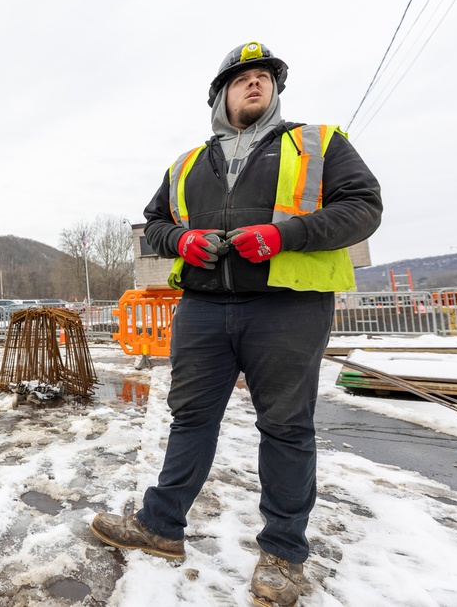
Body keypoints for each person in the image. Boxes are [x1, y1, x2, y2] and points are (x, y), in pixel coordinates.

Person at [90, 41, 382, 607]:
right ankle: (161, 526)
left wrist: (283, 235)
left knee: (286, 427)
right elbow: (155, 223)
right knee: (190, 418)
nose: (256, 83)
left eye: (265, 76)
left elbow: (363, 207)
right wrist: (183, 239)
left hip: (288, 306)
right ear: (221, 94)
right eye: (242, 76)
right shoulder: (187, 164)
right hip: (203, 307)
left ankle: (283, 553)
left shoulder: (319, 143)